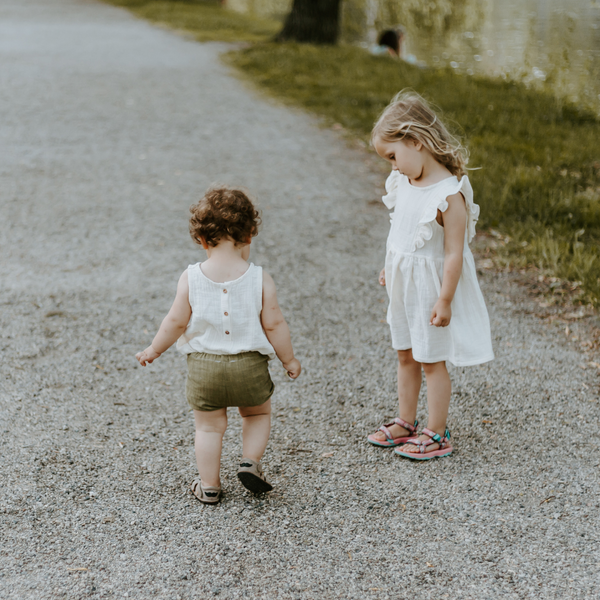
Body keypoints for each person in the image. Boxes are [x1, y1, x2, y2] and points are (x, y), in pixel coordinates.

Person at [136, 187, 301, 503]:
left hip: (204, 368)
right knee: (256, 415)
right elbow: (275, 323)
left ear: (201, 240)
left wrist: (154, 350)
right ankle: (250, 462)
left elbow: (175, 322)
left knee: (209, 429)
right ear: (249, 236)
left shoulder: (191, 277)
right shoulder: (260, 278)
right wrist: (288, 360)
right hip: (249, 366)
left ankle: (209, 485)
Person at [367, 91, 494, 460]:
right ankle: (406, 420)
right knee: (404, 354)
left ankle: (437, 432)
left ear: (416, 141)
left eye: (393, 156)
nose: (392, 166)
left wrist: (444, 298)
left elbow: (455, 252)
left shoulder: (448, 195)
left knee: (430, 360)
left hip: (429, 291)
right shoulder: (404, 183)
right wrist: (390, 266)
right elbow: (402, 235)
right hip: (404, 288)